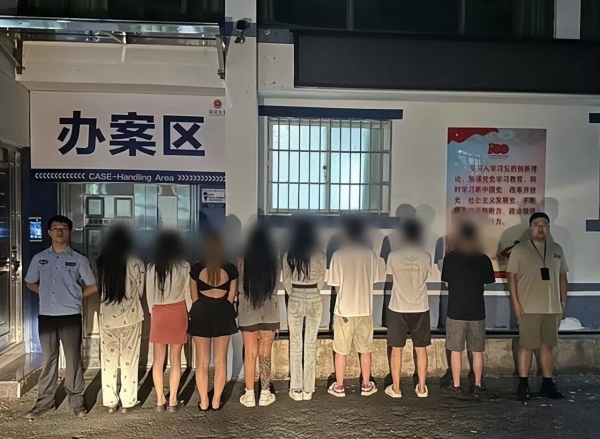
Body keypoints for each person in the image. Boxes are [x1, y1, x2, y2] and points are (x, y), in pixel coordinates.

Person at [24, 215, 97, 419]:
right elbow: (30, 282)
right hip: (47, 315)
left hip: (70, 316)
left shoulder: (79, 259)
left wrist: (75, 296)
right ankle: (44, 402)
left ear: (69, 232)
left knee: (73, 359)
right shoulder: (39, 258)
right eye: (55, 228)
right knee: (49, 359)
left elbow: (93, 285)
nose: (59, 231)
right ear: (49, 232)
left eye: (63, 228)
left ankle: (76, 401)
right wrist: (44, 293)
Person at [507, 212, 567, 401]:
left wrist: (562, 301)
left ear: (548, 227)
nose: (541, 228)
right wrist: (516, 302)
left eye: (544, 224)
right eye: (537, 224)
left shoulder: (556, 249)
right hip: (528, 307)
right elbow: (511, 276)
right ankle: (523, 384)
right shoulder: (520, 249)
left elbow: (562, 276)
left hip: (551, 307)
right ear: (530, 227)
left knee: (547, 346)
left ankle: (548, 383)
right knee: (526, 346)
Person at [327, 217, 385, 398]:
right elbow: (373, 280)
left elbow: (335, 286)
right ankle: (366, 385)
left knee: (341, 351)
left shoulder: (338, 255)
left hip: (344, 310)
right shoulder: (370, 254)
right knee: (365, 349)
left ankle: (340, 386)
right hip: (365, 309)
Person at [441, 221, 495, 395]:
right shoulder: (483, 259)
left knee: (455, 350)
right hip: (477, 310)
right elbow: (487, 281)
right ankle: (478, 384)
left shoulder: (450, 258)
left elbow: (447, 283)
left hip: (455, 310)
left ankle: (456, 385)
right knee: (477, 351)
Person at [96, 225, 145, 413]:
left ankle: (110, 402)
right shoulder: (136, 263)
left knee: (108, 361)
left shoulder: (102, 262)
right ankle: (128, 401)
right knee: (129, 361)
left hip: (107, 319)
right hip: (130, 318)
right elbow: (140, 292)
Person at [188, 232, 239, 411]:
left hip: (201, 313)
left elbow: (194, 297)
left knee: (201, 362)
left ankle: (204, 402)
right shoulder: (231, 269)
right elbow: (231, 298)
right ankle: (216, 401)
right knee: (220, 361)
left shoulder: (196, 269)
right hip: (223, 313)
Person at [385, 219, 432, 398]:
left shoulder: (393, 256)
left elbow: (390, 277)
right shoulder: (426, 256)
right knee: (421, 347)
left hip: (398, 306)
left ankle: (396, 388)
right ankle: (422, 388)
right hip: (420, 306)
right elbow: (426, 275)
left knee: (396, 348)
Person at [146, 231, 192, 411]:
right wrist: (189, 313)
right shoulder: (184, 266)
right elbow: (188, 294)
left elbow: (149, 295)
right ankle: (173, 400)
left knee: (158, 360)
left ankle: (159, 400)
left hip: (158, 312)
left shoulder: (152, 267)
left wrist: (153, 312)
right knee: (176, 359)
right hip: (178, 311)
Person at [282, 219, 326, 401]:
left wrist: (295, 293)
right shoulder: (320, 254)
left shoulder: (289, 254)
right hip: (314, 296)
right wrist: (313, 290)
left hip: (296, 296)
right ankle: (308, 388)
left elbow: (286, 281)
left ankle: (296, 388)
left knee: (295, 343)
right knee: (310, 344)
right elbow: (322, 279)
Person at [238, 225, 280, 407]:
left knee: (250, 353)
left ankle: (249, 394)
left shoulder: (242, 261)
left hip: (248, 311)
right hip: (269, 311)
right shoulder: (274, 262)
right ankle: (264, 393)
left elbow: (240, 288)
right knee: (265, 353)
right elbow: (275, 286)